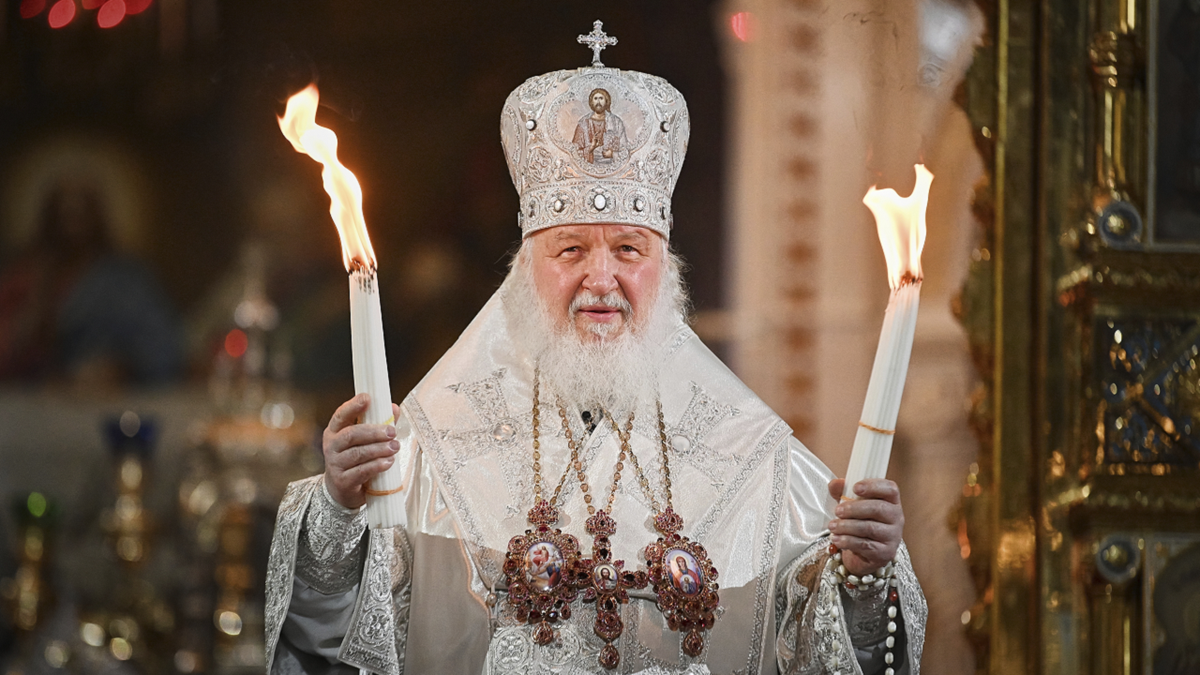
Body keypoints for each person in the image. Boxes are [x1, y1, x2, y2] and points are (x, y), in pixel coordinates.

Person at [266, 24, 926, 675]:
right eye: (572, 249)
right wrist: (338, 509)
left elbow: (832, 644)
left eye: (629, 250)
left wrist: (864, 575)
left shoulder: (747, 449)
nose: (601, 278)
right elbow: (335, 642)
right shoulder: (431, 442)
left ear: (665, 268)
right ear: (527, 268)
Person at [572, 87, 627, 165]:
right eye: (595, 98)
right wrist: (591, 148)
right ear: (591, 102)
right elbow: (574, 151)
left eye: (601, 98)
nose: (598, 102)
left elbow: (625, 149)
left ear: (606, 101)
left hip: (612, 166)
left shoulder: (616, 122)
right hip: (588, 167)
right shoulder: (583, 122)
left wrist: (613, 154)